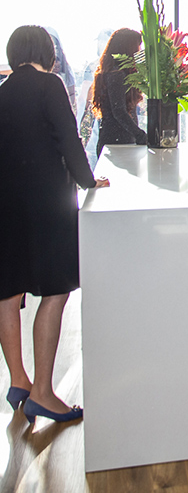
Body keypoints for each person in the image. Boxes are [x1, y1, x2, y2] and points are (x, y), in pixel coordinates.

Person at [0, 25, 109, 426]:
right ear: (47, 52)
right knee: (56, 289)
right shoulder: (50, 86)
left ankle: (19, 381)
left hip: (5, 205)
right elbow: (69, 141)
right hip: (47, 203)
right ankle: (43, 393)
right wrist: (89, 182)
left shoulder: (2, 90)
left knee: (7, 292)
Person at [92, 28, 146, 158]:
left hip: (113, 140)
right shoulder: (117, 75)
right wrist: (140, 135)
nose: (139, 51)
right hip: (118, 142)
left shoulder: (111, 72)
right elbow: (119, 111)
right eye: (138, 47)